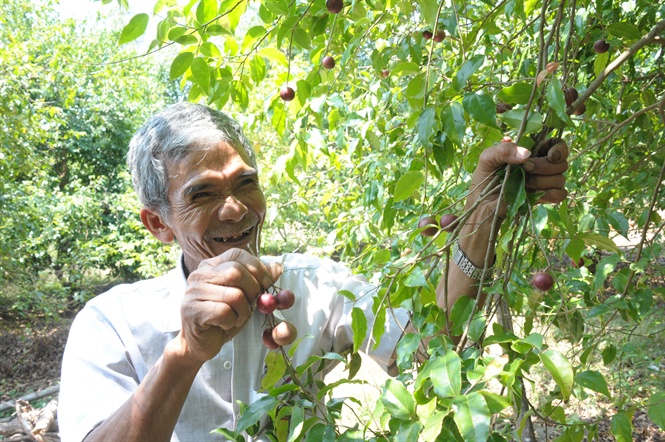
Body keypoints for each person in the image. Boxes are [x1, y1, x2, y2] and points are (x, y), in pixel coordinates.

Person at [58, 102, 569, 441]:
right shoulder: (112, 322)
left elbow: (436, 336)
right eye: (203, 194)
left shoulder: (312, 285)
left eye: (244, 183)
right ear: (158, 223)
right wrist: (184, 354)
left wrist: (484, 212)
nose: (235, 209)